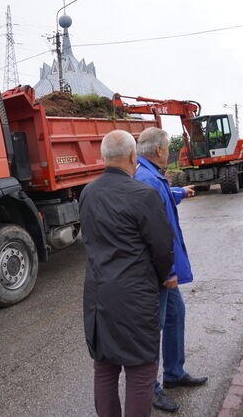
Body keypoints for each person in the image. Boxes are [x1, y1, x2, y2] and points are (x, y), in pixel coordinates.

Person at [80, 129, 175, 417]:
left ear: (104, 157)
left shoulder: (88, 192)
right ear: (133, 156)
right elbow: (162, 248)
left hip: (97, 296)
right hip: (134, 296)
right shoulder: (143, 194)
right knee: (141, 371)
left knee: (105, 369)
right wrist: (163, 275)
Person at [134, 127, 208, 413]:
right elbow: (156, 233)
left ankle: (174, 374)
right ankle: (151, 388)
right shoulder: (146, 179)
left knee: (176, 316)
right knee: (156, 327)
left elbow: (161, 200)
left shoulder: (151, 175)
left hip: (164, 270)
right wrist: (168, 274)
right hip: (160, 273)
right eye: (168, 146)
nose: (170, 151)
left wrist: (178, 192)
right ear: (159, 150)